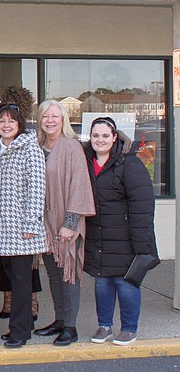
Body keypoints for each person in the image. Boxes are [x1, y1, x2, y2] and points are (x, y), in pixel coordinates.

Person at [84, 116, 158, 346]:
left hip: (125, 236)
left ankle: (128, 329)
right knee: (102, 282)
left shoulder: (129, 163)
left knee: (125, 283)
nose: (100, 139)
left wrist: (142, 243)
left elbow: (143, 205)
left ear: (115, 137)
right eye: (96, 135)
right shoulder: (86, 162)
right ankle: (104, 326)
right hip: (98, 236)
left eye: (105, 135)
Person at [33, 100, 95, 346]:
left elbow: (80, 185)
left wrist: (70, 223)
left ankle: (70, 326)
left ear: (63, 121)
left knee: (69, 273)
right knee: (53, 273)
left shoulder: (71, 147)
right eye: (45, 116)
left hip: (66, 221)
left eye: (55, 117)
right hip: (43, 225)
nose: (49, 121)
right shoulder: (37, 147)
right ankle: (59, 319)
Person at [0, 103, 46, 349]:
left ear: (19, 124)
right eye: (2, 121)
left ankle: (20, 332)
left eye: (11, 121)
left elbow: (37, 187)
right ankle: (19, 325)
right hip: (3, 227)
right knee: (13, 281)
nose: (6, 125)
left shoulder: (30, 149)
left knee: (23, 282)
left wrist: (32, 222)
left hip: (23, 228)